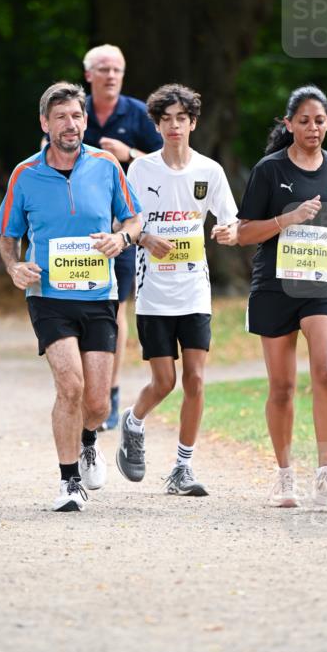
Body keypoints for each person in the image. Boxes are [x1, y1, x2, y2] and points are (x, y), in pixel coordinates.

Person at [0, 81, 142, 513]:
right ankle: (68, 481)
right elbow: (8, 237)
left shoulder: (106, 165)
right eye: (60, 117)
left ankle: (89, 440)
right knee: (70, 385)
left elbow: (133, 220)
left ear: (85, 120)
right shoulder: (24, 174)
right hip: (48, 295)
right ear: (45, 123)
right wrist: (14, 267)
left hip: (99, 294)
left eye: (76, 115)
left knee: (96, 403)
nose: (70, 124)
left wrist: (121, 239)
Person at [237, 85, 327, 509]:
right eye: (304, 121)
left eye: (319, 120)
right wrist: (288, 218)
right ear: (289, 124)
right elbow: (244, 233)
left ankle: (326, 475)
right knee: (281, 387)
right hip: (276, 286)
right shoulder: (268, 170)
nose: (313, 128)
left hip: (325, 284)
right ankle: (284, 477)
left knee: (326, 371)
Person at [117, 84, 238, 496]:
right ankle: (134, 421)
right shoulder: (141, 170)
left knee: (196, 379)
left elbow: (231, 220)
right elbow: (122, 224)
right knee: (164, 382)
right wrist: (145, 237)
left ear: (193, 123)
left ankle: (182, 468)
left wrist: (227, 231)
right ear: (156, 125)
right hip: (154, 293)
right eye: (166, 119)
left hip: (194, 290)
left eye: (181, 119)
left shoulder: (210, 171)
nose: (174, 126)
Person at [82, 44, 162, 431]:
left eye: (117, 69)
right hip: (79, 232)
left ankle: (111, 392)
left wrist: (128, 152)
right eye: (103, 69)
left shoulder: (138, 113)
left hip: (125, 228)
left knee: (116, 309)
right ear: (89, 76)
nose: (111, 75)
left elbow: (168, 163)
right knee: (80, 309)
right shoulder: (73, 111)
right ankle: (86, 391)